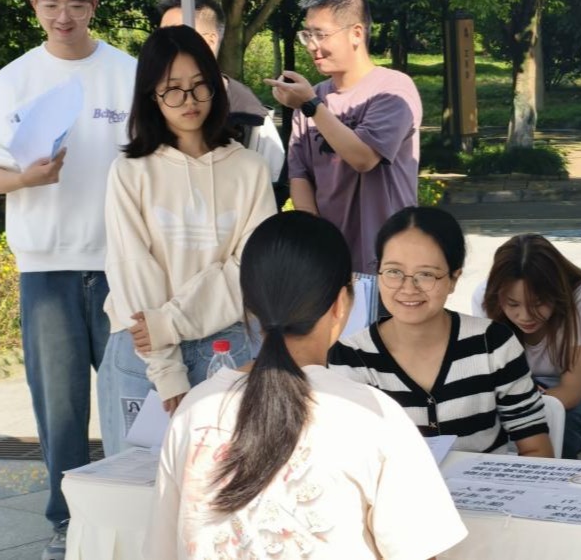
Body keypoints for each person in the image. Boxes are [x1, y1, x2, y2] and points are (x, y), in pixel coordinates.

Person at [144, 211, 468, 559]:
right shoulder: (372, 415)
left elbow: (163, 550)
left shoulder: (197, 408)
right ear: (341, 303)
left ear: (250, 305)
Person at [0, 0, 135, 557]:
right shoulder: (11, 83)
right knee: (59, 411)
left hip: (121, 264)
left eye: (76, 3)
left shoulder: (129, 74)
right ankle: (68, 524)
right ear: (35, 5)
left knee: (131, 402)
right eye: (51, 3)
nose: (64, 16)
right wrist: (23, 179)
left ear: (94, 5)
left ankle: (134, 514)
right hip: (45, 265)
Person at [97, 25, 277, 457]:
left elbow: (251, 269)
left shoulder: (250, 169)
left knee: (224, 483)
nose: (189, 100)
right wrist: (166, 367)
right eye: (173, 89)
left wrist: (171, 322)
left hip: (226, 347)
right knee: (134, 485)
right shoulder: (130, 172)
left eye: (199, 85)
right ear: (151, 95)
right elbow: (132, 268)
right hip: (144, 353)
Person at [328, 207, 554, 457]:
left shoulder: (493, 344)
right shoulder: (350, 357)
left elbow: (537, 449)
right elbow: (349, 459)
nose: (408, 288)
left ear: (454, 279)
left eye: (426, 274)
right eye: (394, 272)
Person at [265, 0, 423, 312]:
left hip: (391, 265)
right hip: (331, 267)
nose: (312, 45)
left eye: (321, 35)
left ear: (356, 33)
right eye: (307, 35)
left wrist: (311, 106)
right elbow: (300, 175)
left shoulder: (393, 89)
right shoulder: (312, 98)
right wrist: (318, 242)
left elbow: (363, 157)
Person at [474, 234, 581, 459]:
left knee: (555, 432)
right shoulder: (484, 297)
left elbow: (571, 392)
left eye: (538, 303)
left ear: (557, 293)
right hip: (541, 386)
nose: (525, 316)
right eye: (513, 304)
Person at [157, 0, 287, 206]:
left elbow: (272, 190)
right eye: (160, 37)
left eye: (176, 36)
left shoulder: (251, 116)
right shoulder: (150, 107)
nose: (163, 47)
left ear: (210, 41)